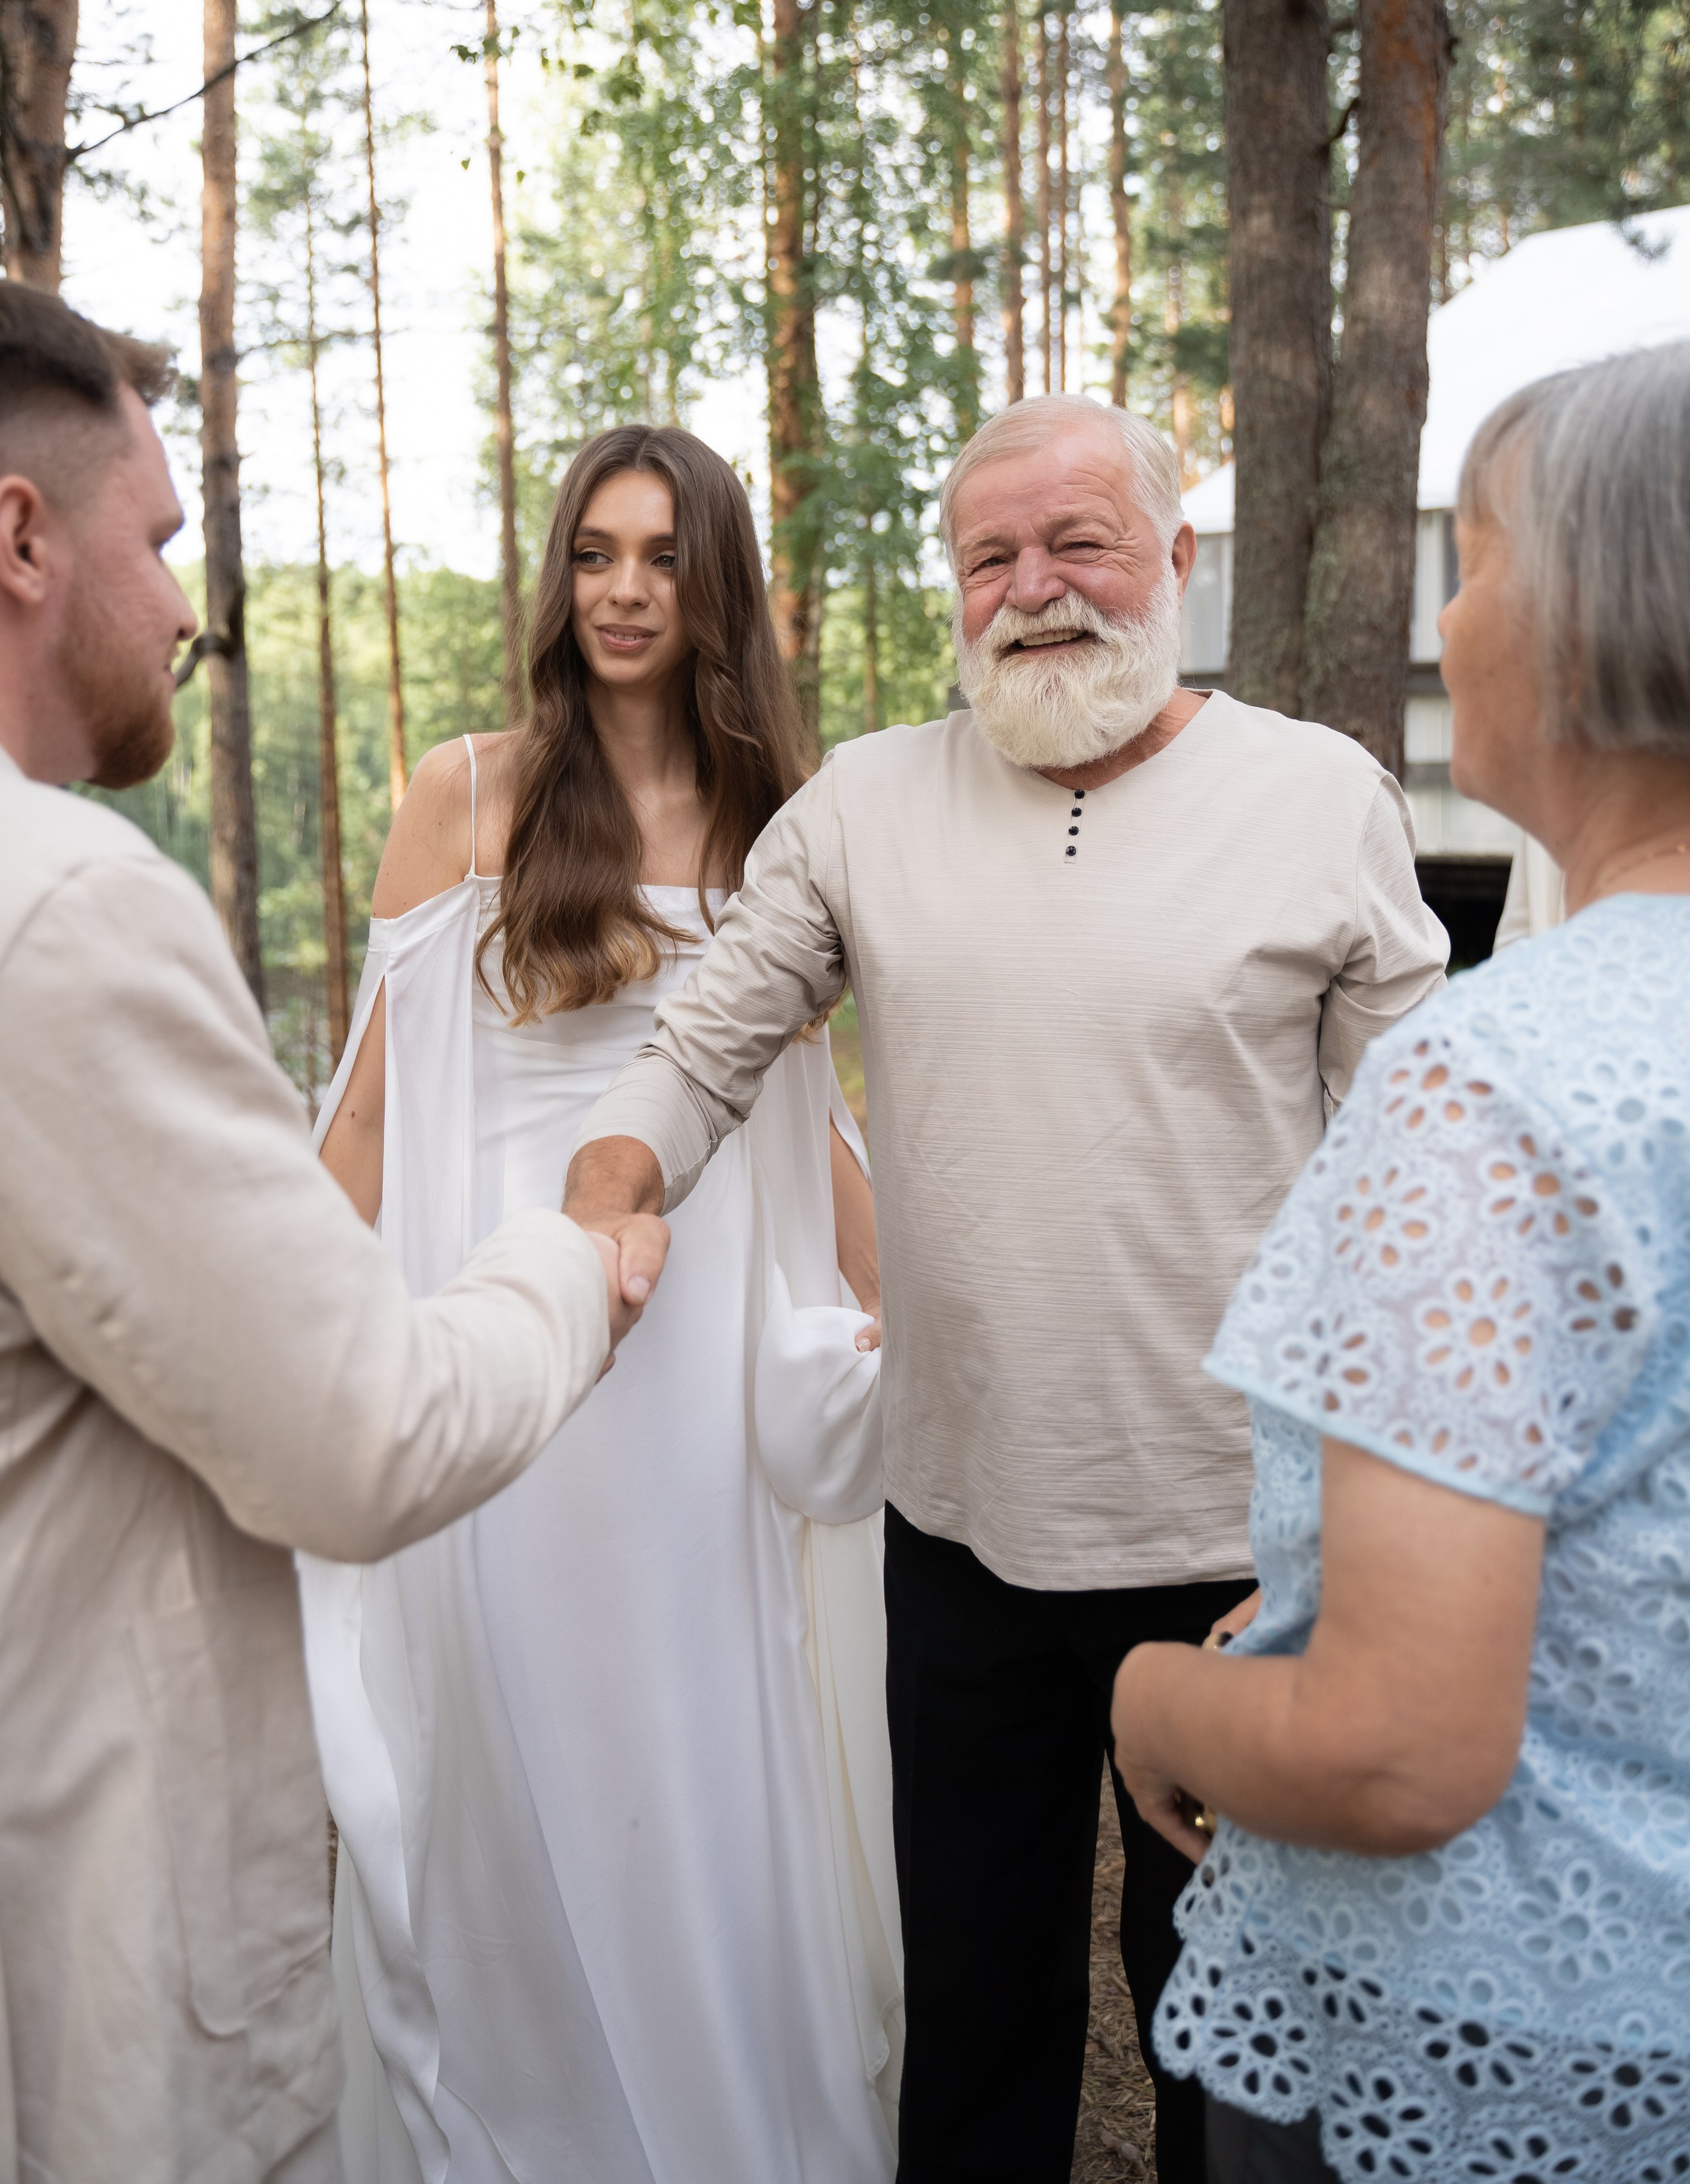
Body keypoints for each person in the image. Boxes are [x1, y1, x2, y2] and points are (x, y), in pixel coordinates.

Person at [565, 392, 1450, 2184]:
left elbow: (1418, 1173)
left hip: (1242, 1541)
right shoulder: (867, 803)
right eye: (992, 557)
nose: (1035, 590)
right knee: (975, 2024)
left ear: (1176, 561)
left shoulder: (1319, 796)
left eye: (1081, 545)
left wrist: (1365, 1516)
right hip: (962, 1526)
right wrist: (608, 1189)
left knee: (1234, 2040)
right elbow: (708, 1041)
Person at [0, 282, 630, 2184]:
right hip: (83, 1955)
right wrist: (569, 1261)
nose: (185, 611)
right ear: (22, 538)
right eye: (158, 542)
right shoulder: (65, 911)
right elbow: (362, 1440)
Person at [1111, 341, 1690, 2184]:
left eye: (1479, 557)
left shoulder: (1498, 1077)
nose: (1449, 618)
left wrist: (1157, 1701)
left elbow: (1396, 1751)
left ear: (1599, 612)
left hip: (1494, 2046)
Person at [304, 423, 902, 2184]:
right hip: (512, 1334)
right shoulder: (467, 794)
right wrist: (297, 1335)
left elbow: (811, 1110)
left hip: (701, 1362)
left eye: (662, 557)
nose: (625, 591)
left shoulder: (785, 821)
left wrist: (913, 1307)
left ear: (719, 585)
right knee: (502, 1728)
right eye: (593, 554)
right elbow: (370, 1106)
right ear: (559, 577)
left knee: (706, 1737)